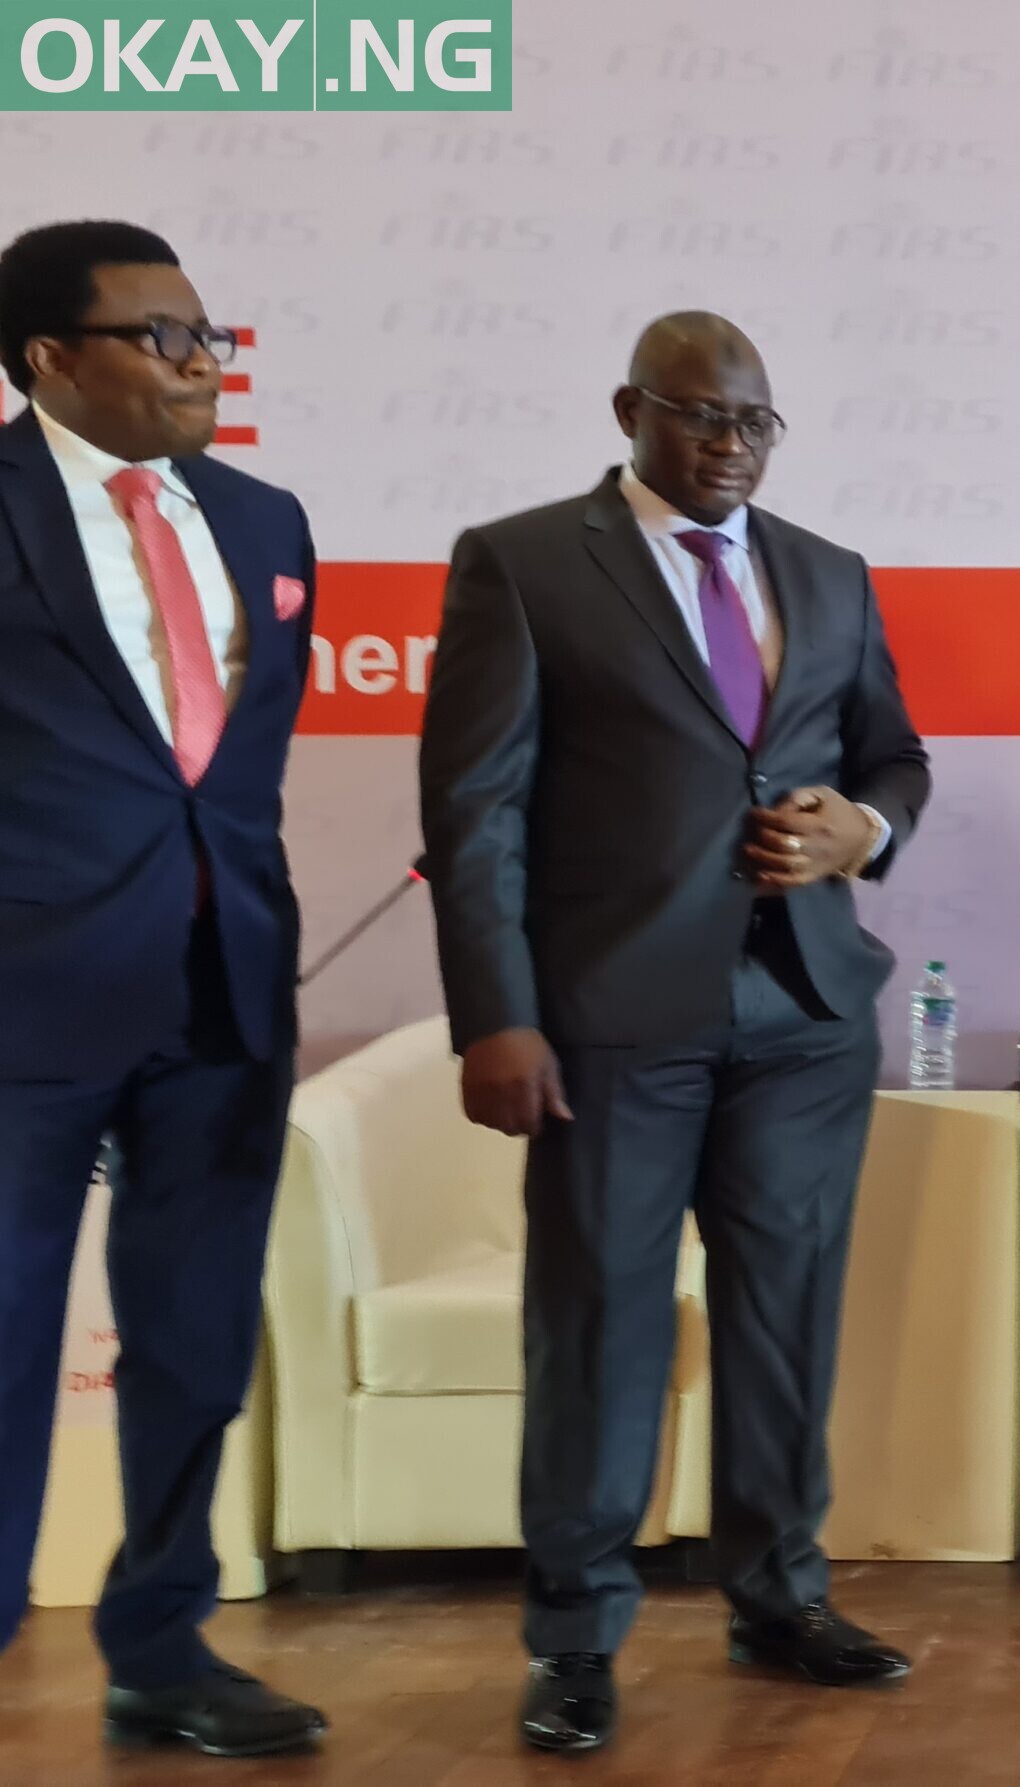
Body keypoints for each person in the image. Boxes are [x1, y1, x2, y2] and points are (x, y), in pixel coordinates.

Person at [418, 313, 931, 1753]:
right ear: (632, 410)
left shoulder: (827, 575)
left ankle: (781, 1598)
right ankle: (576, 1638)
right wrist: (497, 1018)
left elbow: (892, 752)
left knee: (786, 1325)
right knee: (600, 1331)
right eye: (701, 416)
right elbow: (475, 815)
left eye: (755, 422)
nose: (729, 444)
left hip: (806, 1016)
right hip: (610, 1025)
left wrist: (863, 829)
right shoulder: (523, 562)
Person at [0, 221, 327, 1757]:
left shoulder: (265, 521)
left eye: (210, 335)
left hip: (222, 990)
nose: (204, 366)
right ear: (52, 359)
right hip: (23, 1002)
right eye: (161, 337)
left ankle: (164, 1642)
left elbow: (230, 780)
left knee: (193, 1338)